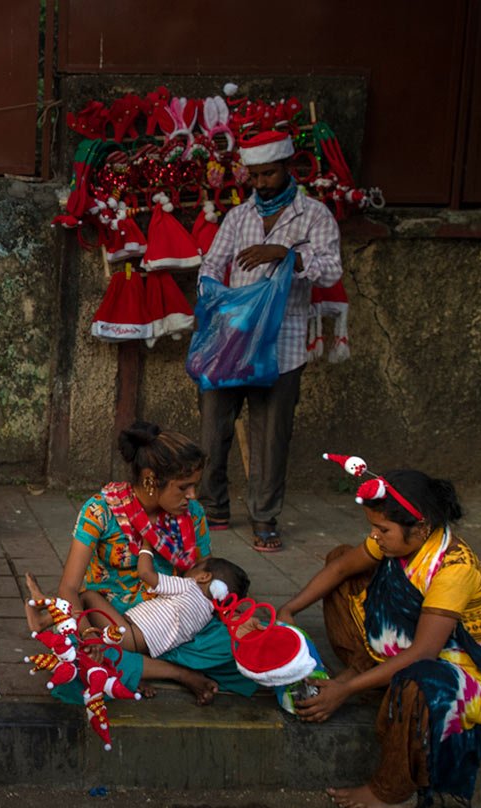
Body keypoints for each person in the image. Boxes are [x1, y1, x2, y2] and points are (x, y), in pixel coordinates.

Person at [279, 470, 481, 808]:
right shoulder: (399, 538)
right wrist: (288, 610)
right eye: (374, 528)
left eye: (383, 530)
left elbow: (423, 653)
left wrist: (345, 690)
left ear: (420, 527)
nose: (375, 536)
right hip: (402, 646)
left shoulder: (454, 569)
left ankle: (391, 791)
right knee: (341, 558)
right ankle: (366, 673)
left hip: (455, 666)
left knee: (417, 684)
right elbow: (341, 568)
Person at [197, 130, 343, 553]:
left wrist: (286, 254)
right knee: (213, 426)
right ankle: (213, 507)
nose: (260, 183)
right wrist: (213, 295)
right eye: (255, 175)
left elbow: (332, 271)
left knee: (271, 434)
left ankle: (264, 516)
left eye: (268, 174)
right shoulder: (239, 217)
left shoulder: (313, 216)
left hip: (285, 343)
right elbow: (212, 263)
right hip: (233, 340)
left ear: (288, 168)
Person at [50, 420, 261, 704]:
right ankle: (178, 673)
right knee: (75, 659)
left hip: (174, 624)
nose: (192, 496)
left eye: (194, 487)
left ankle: (136, 667)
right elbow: (69, 588)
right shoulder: (100, 511)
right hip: (110, 621)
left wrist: (234, 618)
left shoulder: (193, 514)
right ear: (150, 479)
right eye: (184, 487)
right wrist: (88, 635)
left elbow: (205, 578)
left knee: (253, 643)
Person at [81, 549, 249, 659]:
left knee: (87, 596)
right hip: (145, 651)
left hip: (128, 633)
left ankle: (83, 634)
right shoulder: (207, 615)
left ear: (204, 577)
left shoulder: (188, 586)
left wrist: (146, 545)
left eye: (196, 566)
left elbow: (146, 573)